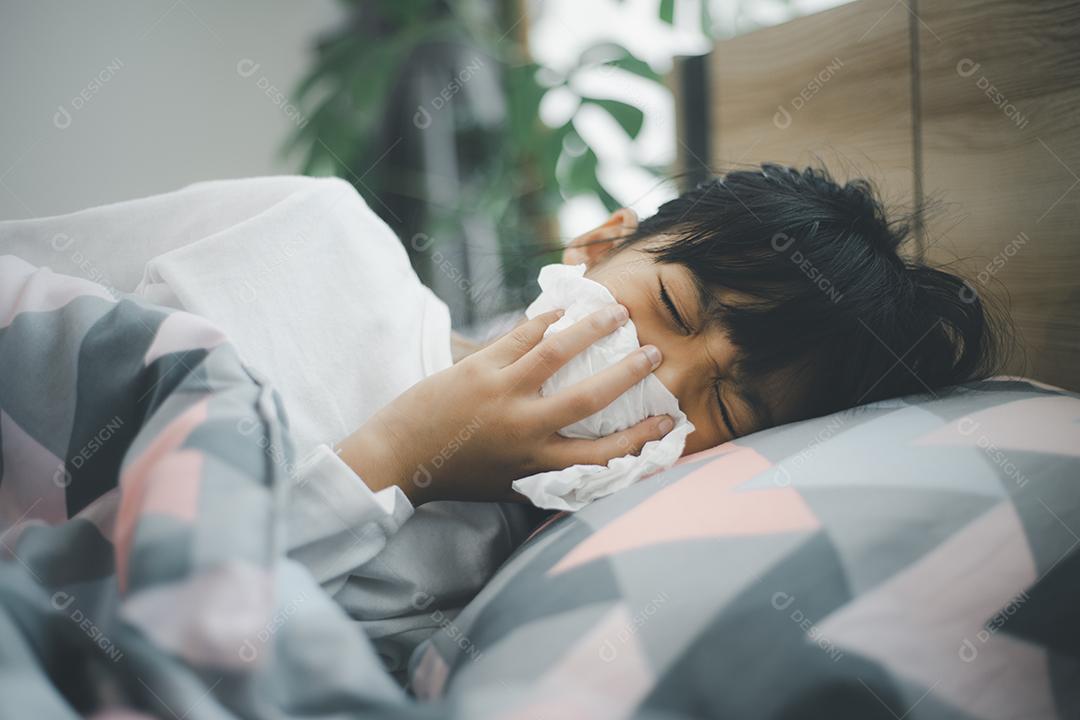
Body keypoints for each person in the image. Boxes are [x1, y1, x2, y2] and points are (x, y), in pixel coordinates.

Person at [341, 163, 1005, 505]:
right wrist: (408, 450)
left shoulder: (494, 576)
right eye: (674, 307)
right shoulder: (327, 244)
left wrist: (407, 465)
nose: (661, 377)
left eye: (725, 406)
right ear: (597, 245)